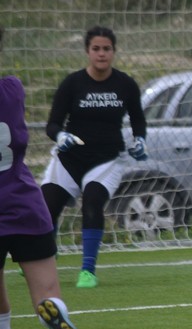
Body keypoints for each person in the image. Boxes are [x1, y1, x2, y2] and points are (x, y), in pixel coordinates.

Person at [1, 25, 84, 329]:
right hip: (24, 204)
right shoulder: (12, 89)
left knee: (0, 313)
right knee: (46, 294)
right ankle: (56, 313)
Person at [41, 26, 148, 289]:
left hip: (106, 160)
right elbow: (52, 124)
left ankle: (87, 271)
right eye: (96, 48)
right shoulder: (72, 83)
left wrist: (140, 140)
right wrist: (60, 136)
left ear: (114, 51)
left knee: (92, 200)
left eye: (106, 49)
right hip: (69, 158)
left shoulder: (125, 84)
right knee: (46, 206)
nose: (101, 54)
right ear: (87, 51)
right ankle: (44, 254)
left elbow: (138, 120)